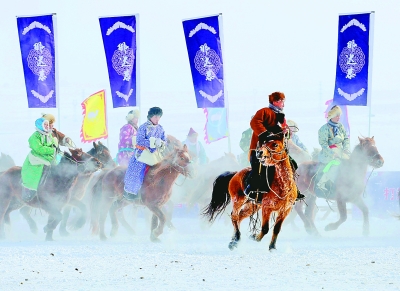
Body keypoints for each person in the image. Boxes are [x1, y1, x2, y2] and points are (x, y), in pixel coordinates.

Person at [245, 91, 304, 203]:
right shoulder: (264, 111)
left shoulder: (281, 116)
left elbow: (283, 133)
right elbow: (254, 122)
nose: (283, 104)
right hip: (261, 148)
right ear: (275, 101)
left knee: (292, 164)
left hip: (276, 151)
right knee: (260, 169)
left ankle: (293, 190)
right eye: (282, 101)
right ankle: (253, 190)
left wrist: (286, 132)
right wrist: (266, 134)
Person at [123, 107, 166, 201]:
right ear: (150, 117)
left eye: (159, 117)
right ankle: (131, 192)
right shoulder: (143, 127)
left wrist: (161, 144)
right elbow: (139, 141)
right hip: (142, 153)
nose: (157, 119)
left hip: (155, 154)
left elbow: (164, 141)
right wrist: (153, 142)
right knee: (138, 169)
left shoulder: (160, 128)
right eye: (155, 117)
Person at [21, 118, 57, 202]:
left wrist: (55, 148)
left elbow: (53, 144)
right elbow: (38, 148)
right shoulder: (35, 136)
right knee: (38, 171)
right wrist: (52, 150)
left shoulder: (49, 135)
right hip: (36, 157)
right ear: (39, 125)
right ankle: (31, 189)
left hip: (47, 157)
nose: (47, 126)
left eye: (47, 124)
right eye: (45, 124)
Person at [316, 105, 350, 191]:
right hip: (328, 152)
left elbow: (346, 138)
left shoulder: (341, 127)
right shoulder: (324, 129)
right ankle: (322, 183)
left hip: (340, 151)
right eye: (337, 115)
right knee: (336, 163)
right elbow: (323, 144)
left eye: (339, 115)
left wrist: (346, 148)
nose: (339, 117)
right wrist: (332, 153)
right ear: (332, 116)